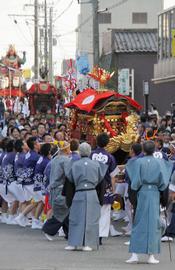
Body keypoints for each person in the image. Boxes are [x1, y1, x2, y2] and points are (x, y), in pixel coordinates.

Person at [126, 140, 173, 264]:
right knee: (153, 224)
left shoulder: (137, 162)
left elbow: (134, 182)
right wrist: (164, 199)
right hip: (154, 194)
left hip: (142, 193)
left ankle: (134, 254)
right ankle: (151, 255)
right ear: (154, 150)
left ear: (143, 150)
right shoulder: (160, 162)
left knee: (138, 222)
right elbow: (164, 182)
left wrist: (133, 196)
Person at [65, 142, 107, 251]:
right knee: (90, 218)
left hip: (79, 191)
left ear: (79, 152)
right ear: (89, 152)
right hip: (92, 192)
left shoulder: (74, 164)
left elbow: (70, 182)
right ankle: (87, 244)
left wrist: (68, 199)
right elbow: (101, 182)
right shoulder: (97, 165)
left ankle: (73, 243)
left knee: (75, 218)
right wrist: (101, 197)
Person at [90, 133, 118, 243]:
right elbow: (113, 176)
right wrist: (113, 190)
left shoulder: (91, 154)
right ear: (107, 143)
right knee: (104, 212)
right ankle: (100, 236)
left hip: (91, 185)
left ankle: (90, 233)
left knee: (92, 210)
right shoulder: (110, 157)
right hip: (105, 186)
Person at [42, 141, 71, 240]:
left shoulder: (54, 159)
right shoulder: (66, 160)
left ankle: (69, 233)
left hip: (53, 188)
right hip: (61, 188)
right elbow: (69, 175)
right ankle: (48, 229)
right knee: (61, 212)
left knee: (65, 211)